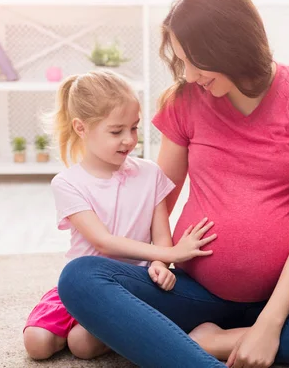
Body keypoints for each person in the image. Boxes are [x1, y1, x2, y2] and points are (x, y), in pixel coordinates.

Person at [57, 0, 289, 367]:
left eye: (194, 60)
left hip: (287, 296)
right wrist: (154, 264)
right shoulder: (185, 101)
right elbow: (154, 202)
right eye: (181, 60)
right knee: (80, 277)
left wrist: (269, 323)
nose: (189, 74)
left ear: (228, 46)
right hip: (192, 292)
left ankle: (214, 342)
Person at [22, 69, 216, 360]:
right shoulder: (67, 183)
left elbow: (160, 235)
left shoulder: (149, 174)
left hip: (129, 285)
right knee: (36, 344)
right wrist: (176, 254)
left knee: (82, 345)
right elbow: (103, 242)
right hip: (82, 285)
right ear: (81, 128)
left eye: (134, 128)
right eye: (116, 131)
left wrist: (161, 261)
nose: (129, 140)